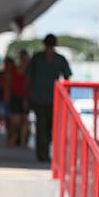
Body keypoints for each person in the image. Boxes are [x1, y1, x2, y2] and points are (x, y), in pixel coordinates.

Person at [25, 34, 72, 162]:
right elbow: (68, 79)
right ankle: (47, 155)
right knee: (49, 128)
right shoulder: (57, 59)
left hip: (44, 98)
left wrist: (26, 96)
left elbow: (28, 79)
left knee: (43, 128)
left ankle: (44, 155)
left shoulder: (39, 58)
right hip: (47, 99)